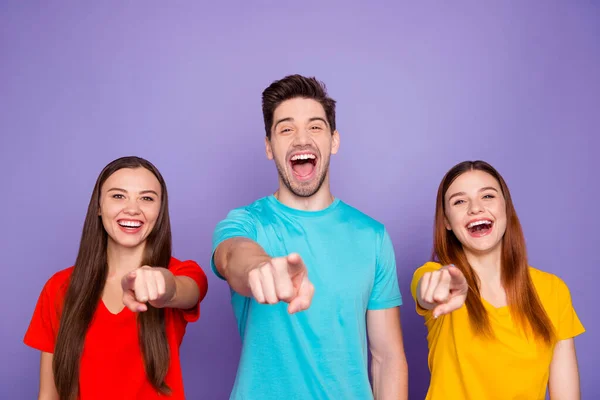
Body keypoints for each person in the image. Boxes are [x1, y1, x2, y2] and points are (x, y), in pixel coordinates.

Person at [211, 74, 408, 399]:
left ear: (334, 140)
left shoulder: (373, 236)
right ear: (269, 147)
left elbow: (387, 359)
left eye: (315, 127)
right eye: (286, 129)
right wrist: (260, 267)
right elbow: (232, 256)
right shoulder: (246, 223)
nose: (301, 139)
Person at [24, 156, 208, 400]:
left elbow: (183, 290)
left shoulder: (182, 273)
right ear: (99, 207)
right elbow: (48, 395)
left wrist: (161, 285)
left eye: (147, 198)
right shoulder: (58, 287)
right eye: (118, 196)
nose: (132, 208)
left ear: (160, 211)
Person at [411, 160, 585, 400]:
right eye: (459, 201)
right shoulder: (438, 278)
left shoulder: (553, 290)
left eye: (488, 196)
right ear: (447, 222)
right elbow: (426, 288)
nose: (475, 208)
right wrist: (441, 285)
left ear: (506, 208)